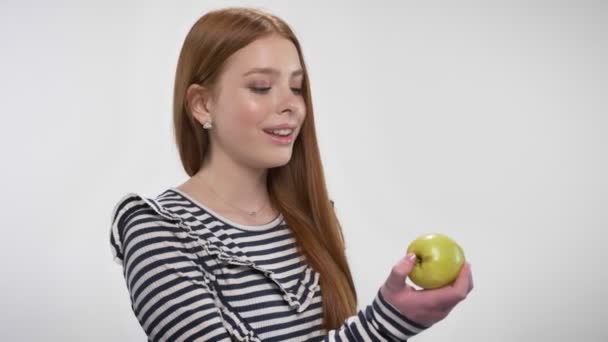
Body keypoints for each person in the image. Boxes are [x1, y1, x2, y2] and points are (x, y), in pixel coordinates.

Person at [109, 7, 473, 341]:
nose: (291, 106)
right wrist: (387, 322)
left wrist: (390, 319)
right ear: (203, 105)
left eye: (296, 88)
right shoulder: (156, 228)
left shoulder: (312, 214)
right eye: (261, 87)